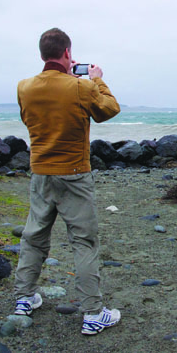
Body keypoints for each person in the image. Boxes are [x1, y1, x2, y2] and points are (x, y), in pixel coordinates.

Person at [13, 28, 121, 335]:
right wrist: (96, 78)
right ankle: (92, 313)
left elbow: (28, 120)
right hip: (74, 173)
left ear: (42, 54)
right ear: (68, 54)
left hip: (41, 172)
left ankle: (24, 298)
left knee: (34, 237)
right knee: (84, 241)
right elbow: (109, 110)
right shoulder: (81, 86)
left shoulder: (24, 87)